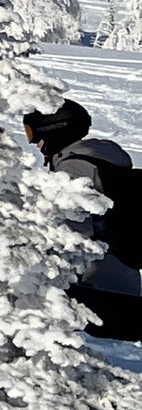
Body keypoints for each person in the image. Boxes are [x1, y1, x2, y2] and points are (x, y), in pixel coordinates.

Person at [24, 100, 142, 339]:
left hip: (95, 284)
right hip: (122, 275)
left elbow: (70, 228)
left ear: (54, 129)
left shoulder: (75, 168)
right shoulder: (100, 160)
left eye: (34, 134)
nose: (34, 143)